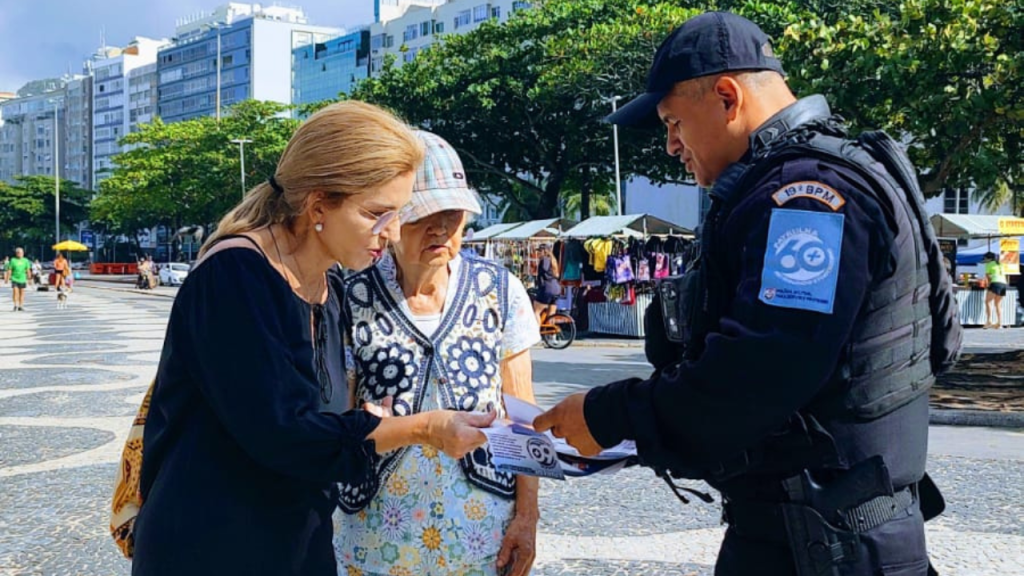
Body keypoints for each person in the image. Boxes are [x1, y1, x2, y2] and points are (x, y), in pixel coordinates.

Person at [535, 12, 961, 576]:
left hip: (830, 546)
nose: (670, 146)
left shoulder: (806, 198)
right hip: (806, 535)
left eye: (674, 123)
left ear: (727, 97)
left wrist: (613, 415)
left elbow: (762, 368)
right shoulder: (791, 185)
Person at [132, 102, 497, 576]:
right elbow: (284, 434)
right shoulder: (237, 275)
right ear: (318, 204)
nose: (389, 232)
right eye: (376, 214)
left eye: (397, 214)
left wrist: (358, 418)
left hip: (293, 542)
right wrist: (424, 428)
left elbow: (309, 415)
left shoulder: (330, 288)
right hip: (211, 546)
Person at [336, 131, 540, 576]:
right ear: (389, 221)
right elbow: (336, 420)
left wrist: (527, 517)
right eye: (424, 215)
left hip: (480, 532)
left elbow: (522, 415)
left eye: (454, 214)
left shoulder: (501, 292)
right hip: (375, 534)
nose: (443, 228)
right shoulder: (350, 297)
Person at [531, 243, 561, 326]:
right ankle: (551, 334)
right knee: (551, 314)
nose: (539, 253)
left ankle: (536, 333)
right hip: (556, 289)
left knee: (536, 311)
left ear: (544, 251)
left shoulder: (545, 259)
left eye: (540, 251)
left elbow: (544, 269)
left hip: (547, 288)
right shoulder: (553, 260)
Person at [982, 251, 1006, 328]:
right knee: (998, 304)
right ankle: (1000, 322)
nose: (984, 260)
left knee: (988, 301)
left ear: (989, 259)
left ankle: (989, 321)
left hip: (995, 282)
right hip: (1003, 283)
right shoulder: (1000, 264)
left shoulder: (988, 265)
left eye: (985, 259)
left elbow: (988, 277)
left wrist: (988, 286)